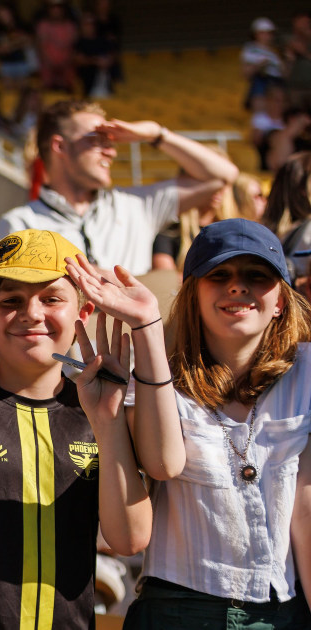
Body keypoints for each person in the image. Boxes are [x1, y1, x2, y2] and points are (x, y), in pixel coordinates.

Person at [0, 229, 160, 629]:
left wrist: (108, 422)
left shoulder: (96, 406)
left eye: (51, 299)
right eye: (11, 301)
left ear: (83, 314)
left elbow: (130, 539)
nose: (31, 313)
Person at [76, 219, 311, 628]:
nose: (238, 286)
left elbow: (306, 510)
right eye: (219, 275)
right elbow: (163, 465)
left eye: (257, 276)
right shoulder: (155, 378)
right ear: (192, 296)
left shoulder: (307, 372)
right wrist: (147, 325)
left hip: (282, 609)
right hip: (178, 609)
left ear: (281, 302)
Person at [0, 100, 240, 276]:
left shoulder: (137, 205)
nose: (111, 151)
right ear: (59, 147)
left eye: (110, 142)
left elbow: (224, 175)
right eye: (96, 140)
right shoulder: (20, 225)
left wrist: (155, 134)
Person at [152, 175, 244, 272]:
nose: (217, 189)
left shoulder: (238, 230)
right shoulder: (171, 231)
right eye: (210, 182)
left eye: (223, 183)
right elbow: (165, 277)